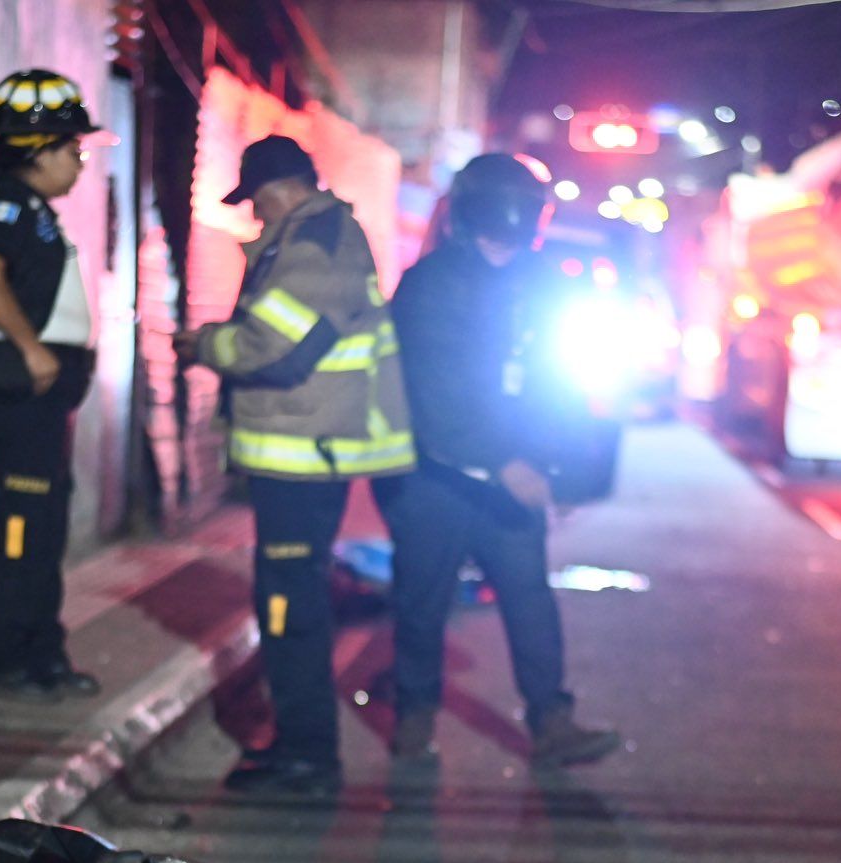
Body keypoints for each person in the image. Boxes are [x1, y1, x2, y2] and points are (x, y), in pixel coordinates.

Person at [175, 136, 415, 795]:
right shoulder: (322, 236)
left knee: (290, 607)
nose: (255, 218)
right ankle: (298, 743)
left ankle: (306, 753)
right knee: (290, 601)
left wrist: (205, 344)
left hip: (304, 456)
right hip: (303, 452)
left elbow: (278, 349)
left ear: (277, 192)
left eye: (255, 205)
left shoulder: (315, 244)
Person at [377, 153, 622, 768]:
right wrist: (505, 462)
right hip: (435, 475)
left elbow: (558, 382)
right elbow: (437, 393)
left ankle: (552, 722)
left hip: (512, 476)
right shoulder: (432, 283)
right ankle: (414, 721)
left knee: (528, 597)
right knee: (421, 603)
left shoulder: (545, 284)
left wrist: (560, 465)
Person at [0, 70, 105, 701]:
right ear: (37, 149)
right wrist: (33, 349)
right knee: (23, 525)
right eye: (73, 148)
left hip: (40, 397)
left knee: (42, 526)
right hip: (20, 392)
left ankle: (42, 653)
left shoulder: (29, 207)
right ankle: (1, 659)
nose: (81, 162)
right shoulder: (8, 204)